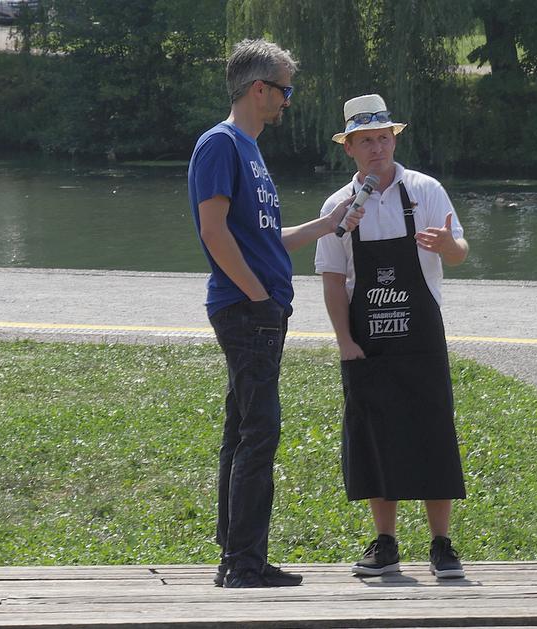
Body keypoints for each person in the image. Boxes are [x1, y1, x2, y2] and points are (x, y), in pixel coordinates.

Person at [187, 39, 360, 589]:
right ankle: (244, 564)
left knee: (242, 430)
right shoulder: (221, 145)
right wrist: (259, 297)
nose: (288, 99)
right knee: (260, 432)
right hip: (247, 310)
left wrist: (327, 224)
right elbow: (213, 232)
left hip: (258, 307)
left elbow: (263, 239)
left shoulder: (250, 151)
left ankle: (235, 558)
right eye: (285, 89)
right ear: (259, 89)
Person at [314, 94, 470, 579]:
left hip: (422, 339)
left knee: (432, 433)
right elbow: (332, 280)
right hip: (367, 343)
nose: (377, 148)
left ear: (394, 140)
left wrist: (448, 245)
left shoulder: (425, 190)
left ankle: (442, 544)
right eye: (366, 141)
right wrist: (344, 341)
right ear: (349, 148)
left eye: (384, 138)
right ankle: (385, 543)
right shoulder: (337, 207)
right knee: (373, 438)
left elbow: (460, 252)